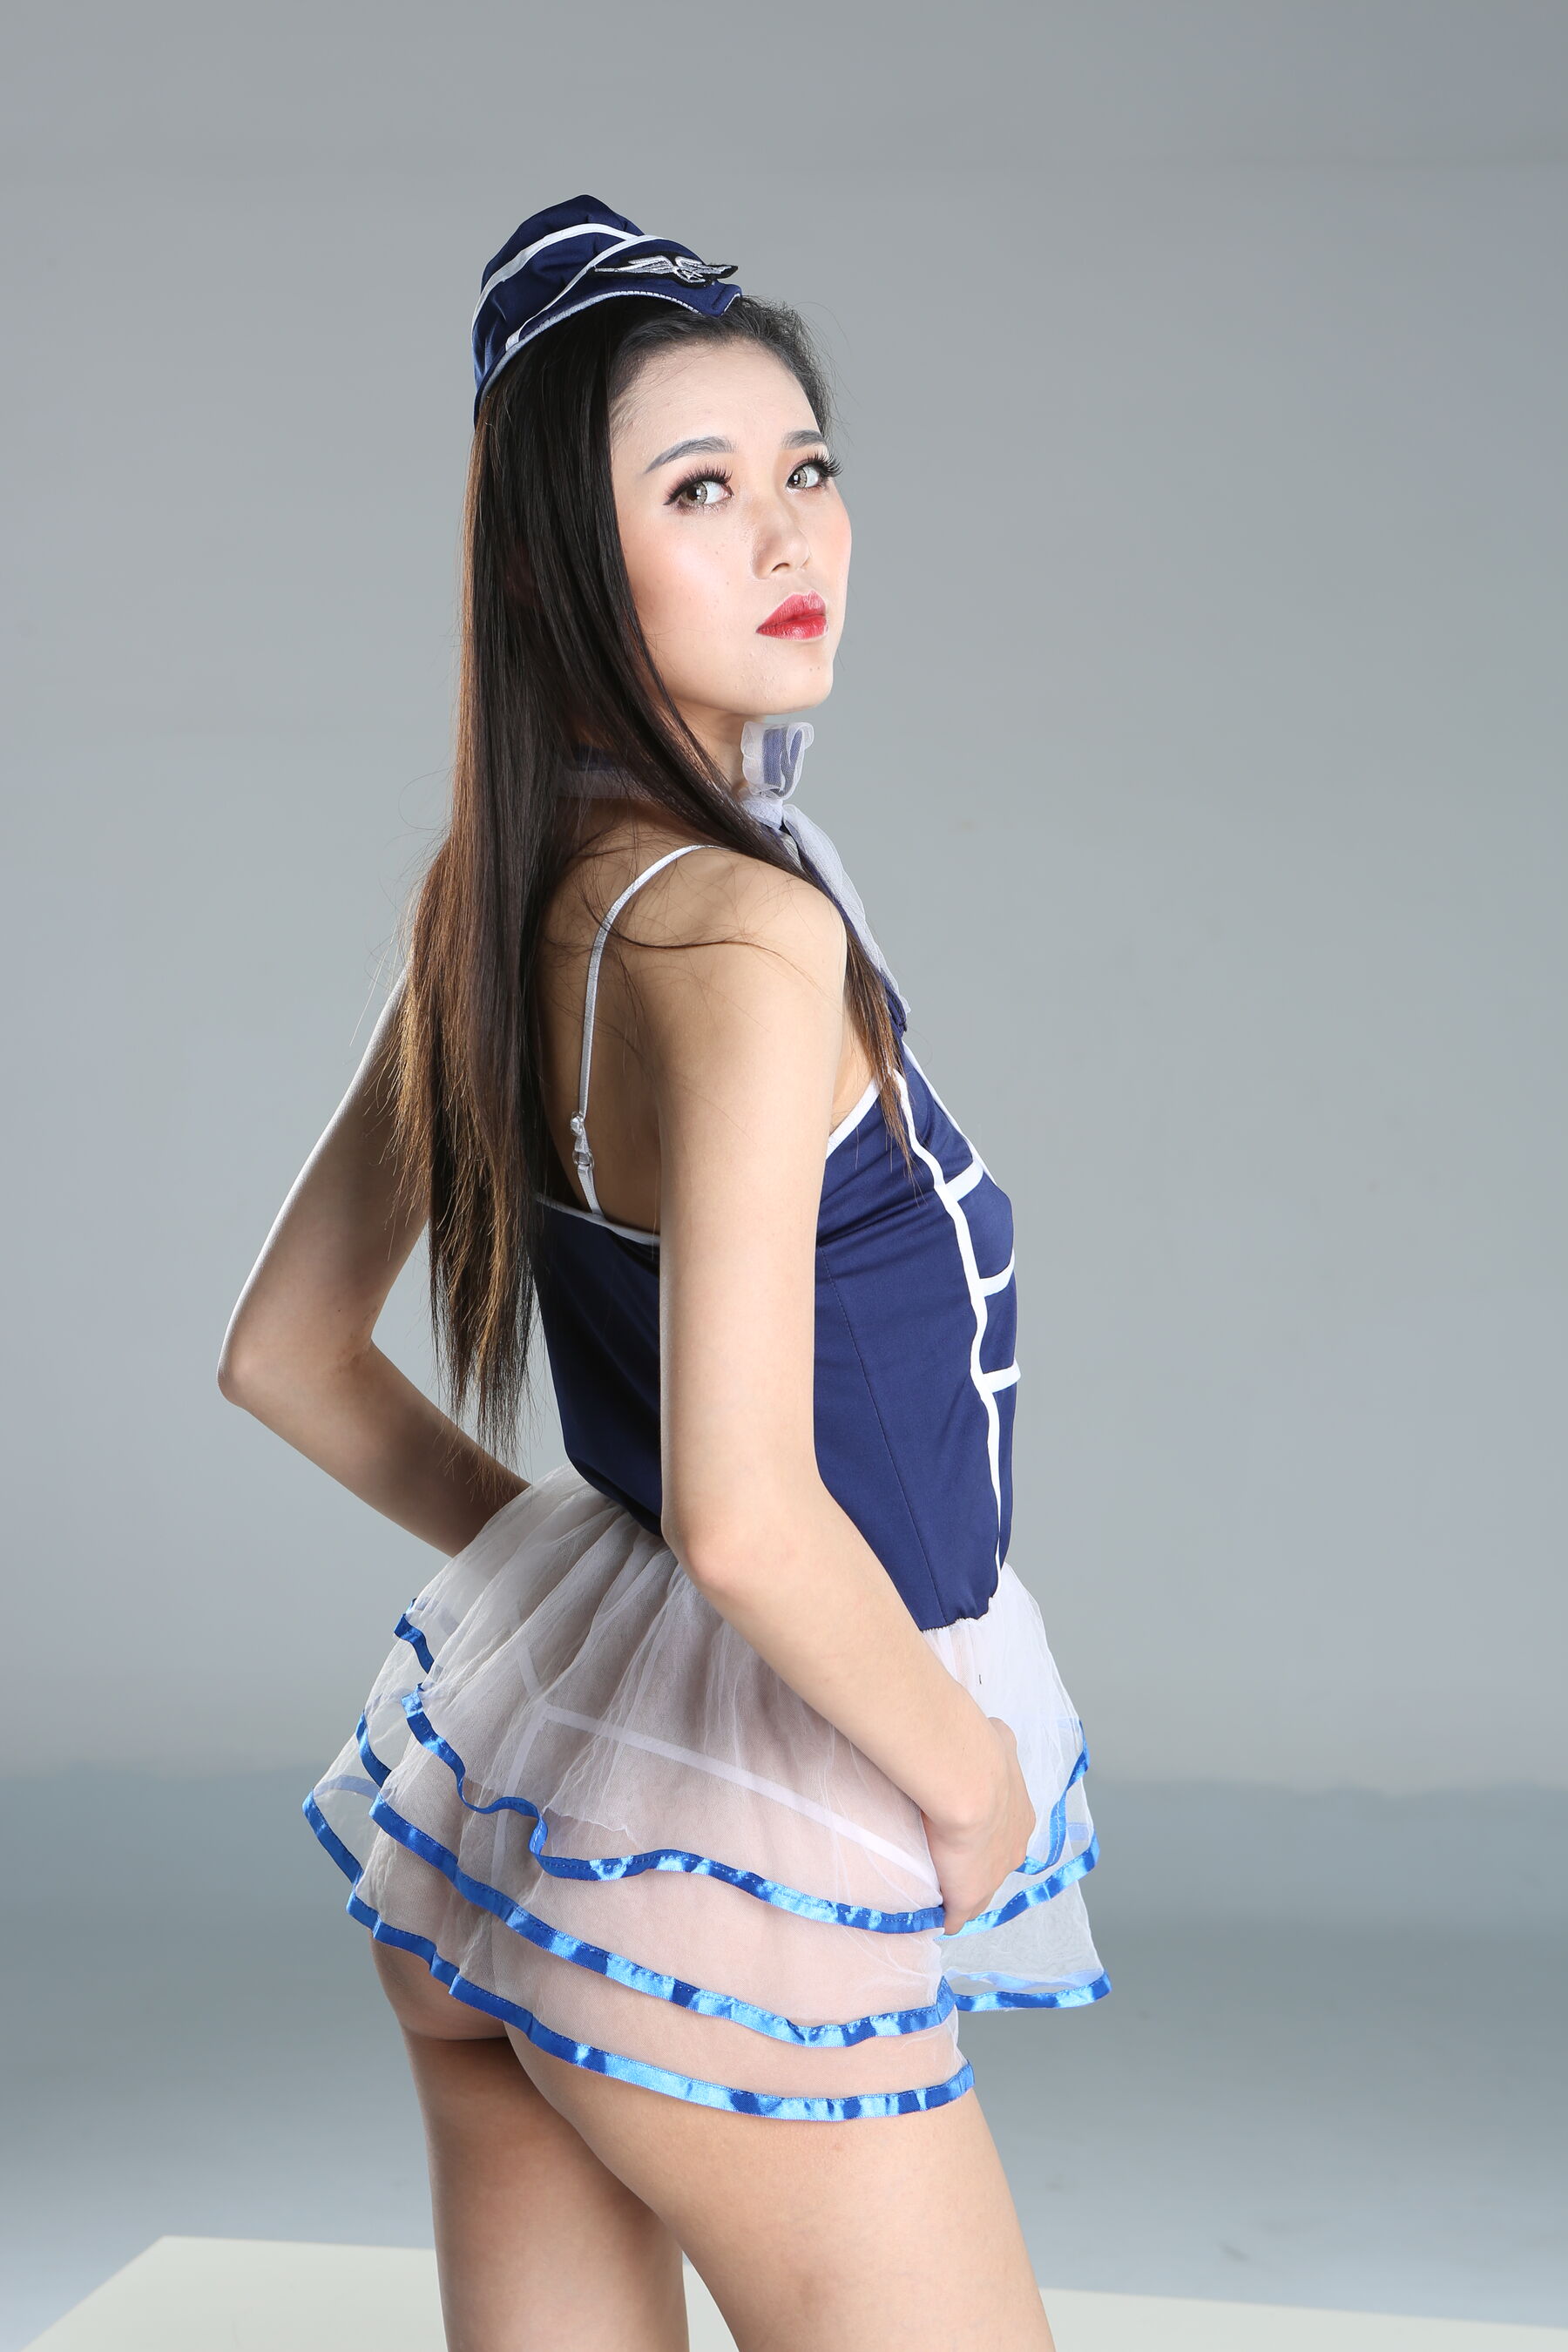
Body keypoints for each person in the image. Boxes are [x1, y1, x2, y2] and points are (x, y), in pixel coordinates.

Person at [219, 194, 1110, 2352]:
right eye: (700, 489)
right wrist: (965, 1778)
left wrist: (572, 1611)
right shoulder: (749, 937)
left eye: (807, 466)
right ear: (553, 569)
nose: (791, 533)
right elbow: (742, 1515)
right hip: (745, 1869)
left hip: (519, 1824)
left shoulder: (502, 892)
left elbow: (284, 1353)